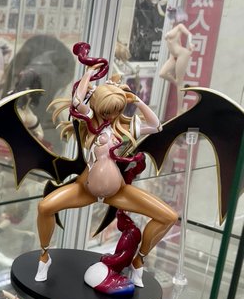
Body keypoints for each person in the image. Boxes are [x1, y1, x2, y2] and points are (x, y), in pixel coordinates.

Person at [38, 53, 178, 287]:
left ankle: (139, 261)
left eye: (114, 111)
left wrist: (136, 101)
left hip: (117, 192)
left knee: (168, 217)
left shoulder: (126, 129)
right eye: (106, 111)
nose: (109, 115)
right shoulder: (92, 124)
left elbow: (156, 126)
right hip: (86, 189)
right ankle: (44, 256)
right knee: (45, 207)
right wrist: (89, 73)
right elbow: (77, 101)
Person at [158, 7, 194, 114]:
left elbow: (189, 34)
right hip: (173, 56)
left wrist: (190, 43)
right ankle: (179, 85)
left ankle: (179, 110)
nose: (172, 18)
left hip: (181, 54)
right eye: (171, 16)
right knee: (162, 73)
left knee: (179, 81)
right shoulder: (172, 28)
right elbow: (176, 42)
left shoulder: (180, 26)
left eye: (173, 16)